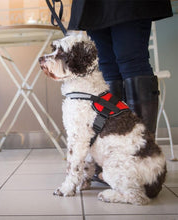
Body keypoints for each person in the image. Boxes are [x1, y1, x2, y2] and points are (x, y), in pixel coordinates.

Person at [67, 0, 173, 182]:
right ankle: (113, 160)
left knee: (132, 61)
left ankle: (142, 159)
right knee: (107, 67)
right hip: (93, 6)